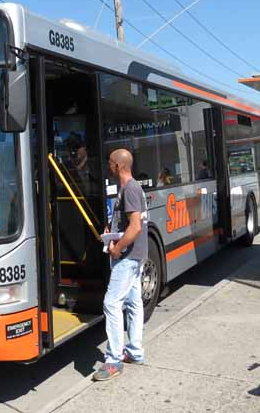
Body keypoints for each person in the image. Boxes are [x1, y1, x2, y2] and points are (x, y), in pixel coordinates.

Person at [93, 149, 148, 382]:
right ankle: (134, 351)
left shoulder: (130, 189)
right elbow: (129, 223)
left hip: (127, 257)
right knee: (134, 302)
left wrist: (117, 247)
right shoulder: (129, 188)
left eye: (110, 163)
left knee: (111, 303)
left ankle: (114, 360)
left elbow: (135, 227)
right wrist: (110, 232)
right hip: (135, 255)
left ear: (118, 166)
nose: (108, 166)